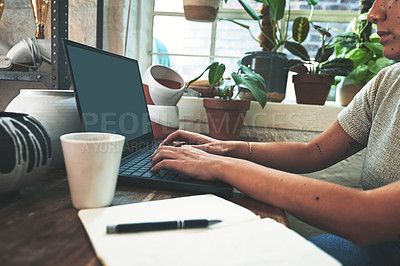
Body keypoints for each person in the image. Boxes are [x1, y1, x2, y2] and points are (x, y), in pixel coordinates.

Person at [151, 0, 400, 265]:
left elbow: (366, 217)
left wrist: (222, 166)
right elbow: (313, 152)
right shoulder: (388, 82)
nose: (374, 13)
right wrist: (225, 148)